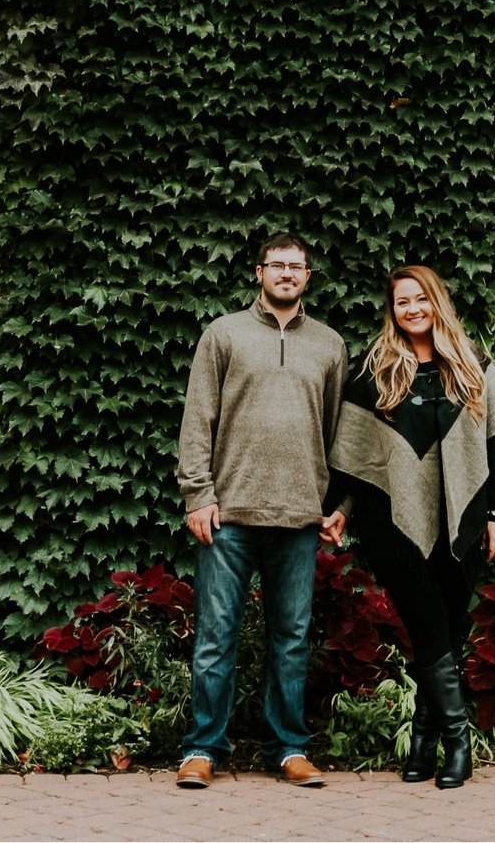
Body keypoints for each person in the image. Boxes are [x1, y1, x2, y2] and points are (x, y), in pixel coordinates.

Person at [322, 265, 495, 790]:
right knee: (430, 627)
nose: (412, 309)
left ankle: (423, 739)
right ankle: (458, 742)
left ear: (436, 301)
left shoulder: (473, 367)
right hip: (393, 525)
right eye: (401, 302)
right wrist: (343, 508)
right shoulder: (377, 370)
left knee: (444, 630)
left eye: (420, 299)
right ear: (392, 311)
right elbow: (360, 461)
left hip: (464, 523)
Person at [172, 231, 347, 790]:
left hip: (299, 517)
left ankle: (289, 747)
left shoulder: (329, 345)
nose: (287, 274)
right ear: (259, 272)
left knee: (291, 640)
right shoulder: (223, 335)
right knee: (216, 635)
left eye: (297, 266)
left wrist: (338, 505)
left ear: (308, 277)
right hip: (230, 516)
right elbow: (197, 419)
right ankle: (203, 747)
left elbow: (340, 434)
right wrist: (198, 495)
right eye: (278, 265)